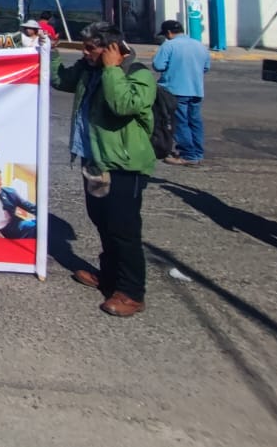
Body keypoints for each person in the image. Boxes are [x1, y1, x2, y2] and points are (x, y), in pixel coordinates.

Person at [52, 22, 157, 317]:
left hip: (122, 165)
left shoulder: (137, 75)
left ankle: (132, 292)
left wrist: (112, 69)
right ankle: (109, 277)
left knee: (124, 230)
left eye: (91, 48)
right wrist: (53, 52)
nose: (84, 53)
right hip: (94, 162)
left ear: (111, 49)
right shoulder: (90, 71)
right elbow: (60, 81)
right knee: (103, 222)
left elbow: (123, 105)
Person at [153, 19, 211, 166]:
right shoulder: (199, 45)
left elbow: (158, 65)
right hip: (196, 90)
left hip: (176, 89)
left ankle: (188, 155)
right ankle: (197, 153)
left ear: (168, 33)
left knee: (179, 122)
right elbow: (206, 67)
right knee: (195, 121)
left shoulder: (169, 45)